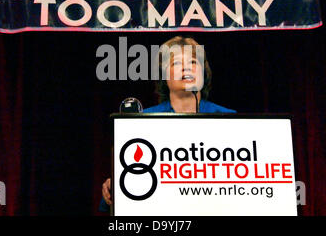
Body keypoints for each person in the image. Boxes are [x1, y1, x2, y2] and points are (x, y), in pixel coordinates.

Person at [100, 36, 236, 211]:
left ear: (204, 71)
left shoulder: (228, 118)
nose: (187, 67)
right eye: (176, 63)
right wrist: (114, 184)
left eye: (194, 62)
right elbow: (129, 179)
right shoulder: (143, 121)